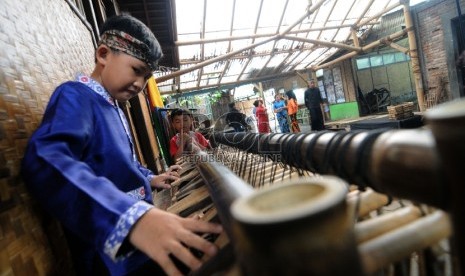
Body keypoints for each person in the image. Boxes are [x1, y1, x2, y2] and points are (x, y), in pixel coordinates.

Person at [20, 14, 222, 276]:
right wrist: (133, 220)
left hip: (137, 236)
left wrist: (150, 178)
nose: (140, 84)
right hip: (111, 253)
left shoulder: (113, 107)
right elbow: (45, 159)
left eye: (146, 77)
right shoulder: (76, 96)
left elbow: (123, 164)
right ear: (103, 54)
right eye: (137, 70)